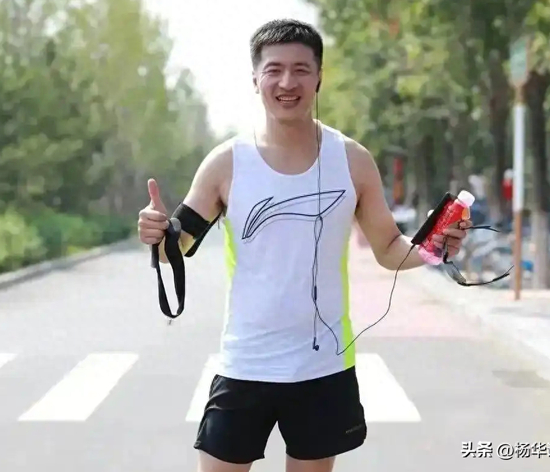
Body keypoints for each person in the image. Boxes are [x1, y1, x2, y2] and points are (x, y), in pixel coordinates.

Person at [137, 19, 471, 472]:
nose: (287, 82)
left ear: (319, 78)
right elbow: (177, 245)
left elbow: (390, 247)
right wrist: (157, 235)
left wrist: (437, 248)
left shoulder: (352, 161)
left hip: (322, 367)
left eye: (301, 69)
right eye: (274, 70)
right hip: (245, 362)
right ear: (255, 79)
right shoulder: (226, 163)